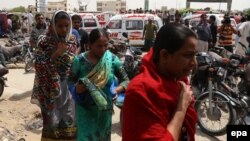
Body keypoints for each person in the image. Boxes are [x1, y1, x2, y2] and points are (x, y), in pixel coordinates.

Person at [122, 23, 197, 141]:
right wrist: (181, 108)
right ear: (165, 55)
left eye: (194, 55)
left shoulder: (178, 79)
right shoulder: (142, 89)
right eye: (188, 55)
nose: (194, 62)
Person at [67, 28, 129, 141]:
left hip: (104, 114)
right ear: (90, 44)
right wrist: (77, 89)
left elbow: (126, 80)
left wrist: (117, 89)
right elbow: (69, 82)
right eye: (99, 46)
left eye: (105, 45)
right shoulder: (79, 61)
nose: (103, 49)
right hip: (85, 112)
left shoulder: (112, 59)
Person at [31, 10, 77, 141]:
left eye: (67, 25)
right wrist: (57, 53)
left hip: (68, 89)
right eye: (60, 26)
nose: (64, 29)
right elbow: (38, 65)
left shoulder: (72, 40)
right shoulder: (43, 41)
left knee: (69, 120)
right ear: (53, 25)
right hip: (49, 89)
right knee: (51, 123)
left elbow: (74, 64)